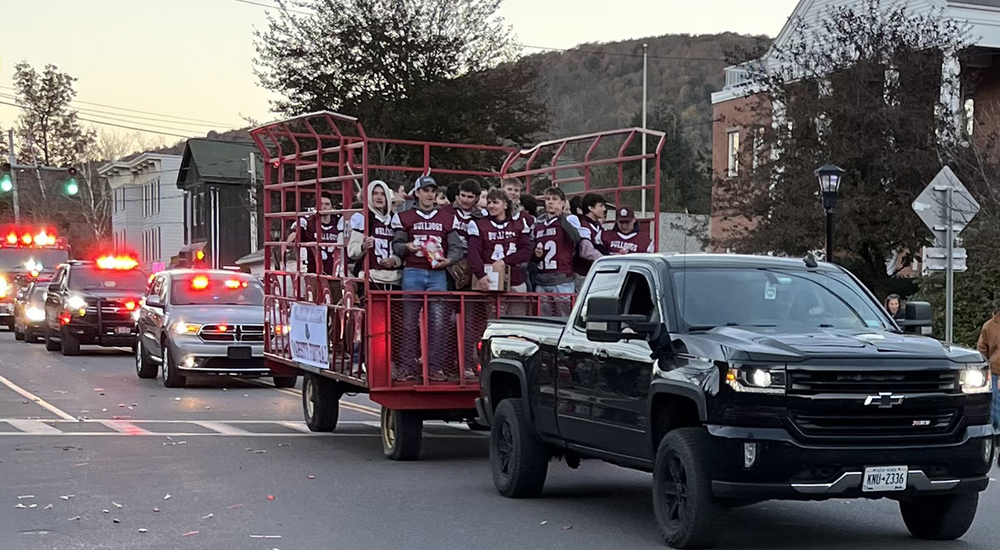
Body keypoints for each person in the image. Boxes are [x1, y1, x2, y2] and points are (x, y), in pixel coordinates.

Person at [391, 175, 464, 381]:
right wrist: (407, 247)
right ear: (417, 193)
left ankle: (434, 366)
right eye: (426, 190)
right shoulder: (405, 216)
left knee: (438, 322)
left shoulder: (446, 218)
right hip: (413, 271)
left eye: (433, 191)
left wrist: (448, 261)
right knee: (409, 322)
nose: (430, 194)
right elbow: (396, 245)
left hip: (437, 273)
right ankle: (407, 365)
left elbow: (457, 246)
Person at [466, 188, 532, 371]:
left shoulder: (519, 223)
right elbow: (473, 253)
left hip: (516, 281)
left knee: (517, 328)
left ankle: (515, 363)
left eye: (495, 202)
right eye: (489, 202)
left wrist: (505, 261)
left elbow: (526, 251)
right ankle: (490, 364)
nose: (491, 206)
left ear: (505, 204)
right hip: (491, 282)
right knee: (494, 326)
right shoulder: (479, 224)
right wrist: (480, 275)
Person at [531, 187, 583, 316]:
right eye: (547, 199)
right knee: (544, 321)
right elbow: (530, 249)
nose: (550, 202)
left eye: (554, 199)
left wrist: (561, 217)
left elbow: (576, 239)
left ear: (563, 203)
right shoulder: (538, 224)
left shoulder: (568, 220)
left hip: (562, 279)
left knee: (565, 318)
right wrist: (535, 255)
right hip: (542, 279)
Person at [348, 180, 401, 290]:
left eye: (382, 194)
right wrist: (363, 246)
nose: (379, 197)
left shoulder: (396, 219)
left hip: (396, 279)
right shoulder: (363, 218)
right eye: (375, 193)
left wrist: (395, 260)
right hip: (372, 278)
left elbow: (402, 247)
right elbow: (352, 252)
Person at [975, 303, 1000, 464]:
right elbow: (982, 349)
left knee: (996, 404)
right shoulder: (990, 326)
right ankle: (996, 435)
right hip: (996, 370)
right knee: (995, 405)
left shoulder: (990, 325)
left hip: (995, 368)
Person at [573, 193, 608, 290]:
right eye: (601, 206)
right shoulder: (584, 226)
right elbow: (586, 251)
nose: (604, 209)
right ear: (591, 208)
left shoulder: (596, 225)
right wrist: (606, 260)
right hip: (583, 274)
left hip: (592, 272)